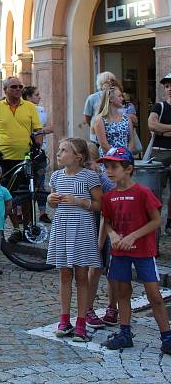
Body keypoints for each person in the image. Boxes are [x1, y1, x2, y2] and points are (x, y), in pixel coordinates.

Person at [98, 146, 171, 354]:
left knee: (154, 295)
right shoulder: (109, 196)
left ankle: (166, 336)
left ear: (128, 169)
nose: (109, 171)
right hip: (120, 252)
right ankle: (125, 333)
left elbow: (156, 221)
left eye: (113, 167)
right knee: (122, 291)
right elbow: (108, 221)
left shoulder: (143, 192)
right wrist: (111, 234)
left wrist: (133, 236)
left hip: (143, 252)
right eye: (106, 167)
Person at [46, 137, 102, 342]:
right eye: (59, 150)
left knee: (81, 275)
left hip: (81, 229)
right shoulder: (56, 177)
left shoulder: (89, 177)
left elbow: (99, 205)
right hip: (62, 228)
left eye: (63, 150)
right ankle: (64, 319)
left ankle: (81, 321)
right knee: (64, 274)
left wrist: (79, 201)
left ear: (78, 157)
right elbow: (53, 201)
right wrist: (50, 200)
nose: (59, 154)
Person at [0, 76, 42, 242]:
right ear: (5, 90)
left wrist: (37, 148)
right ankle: (16, 228)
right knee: (8, 196)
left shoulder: (30, 107)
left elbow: (38, 130)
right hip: (5, 158)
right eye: (14, 87)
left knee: (27, 195)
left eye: (20, 87)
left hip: (26, 158)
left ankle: (28, 228)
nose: (18, 90)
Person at [83, 141, 117, 329]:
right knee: (94, 268)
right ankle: (88, 308)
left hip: (108, 225)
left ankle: (113, 307)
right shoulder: (81, 179)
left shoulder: (105, 181)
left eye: (90, 165)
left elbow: (108, 213)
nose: (88, 169)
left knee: (113, 268)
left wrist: (101, 241)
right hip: (90, 224)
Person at [22, 86, 53, 223]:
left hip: (40, 151)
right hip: (24, 151)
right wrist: (38, 131)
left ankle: (42, 212)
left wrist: (38, 131)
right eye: (36, 95)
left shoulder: (41, 110)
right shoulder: (23, 110)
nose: (39, 97)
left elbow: (50, 127)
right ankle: (22, 213)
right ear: (28, 97)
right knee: (23, 183)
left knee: (40, 183)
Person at [148, 73, 171, 235]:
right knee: (156, 192)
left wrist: (165, 129)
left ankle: (169, 223)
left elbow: (159, 127)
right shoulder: (159, 106)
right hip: (160, 152)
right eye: (167, 86)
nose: (169, 89)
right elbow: (152, 125)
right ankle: (154, 226)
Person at [92, 84, 133, 157]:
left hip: (124, 160)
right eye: (119, 96)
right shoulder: (100, 120)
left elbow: (132, 140)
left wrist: (127, 156)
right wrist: (118, 156)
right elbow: (104, 144)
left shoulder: (126, 118)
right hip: (109, 160)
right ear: (110, 99)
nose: (122, 99)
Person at [83, 71, 118, 144]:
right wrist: (96, 125)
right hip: (96, 136)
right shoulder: (92, 98)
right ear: (101, 84)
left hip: (114, 134)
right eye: (106, 82)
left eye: (111, 81)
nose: (109, 83)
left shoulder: (117, 96)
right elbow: (87, 117)